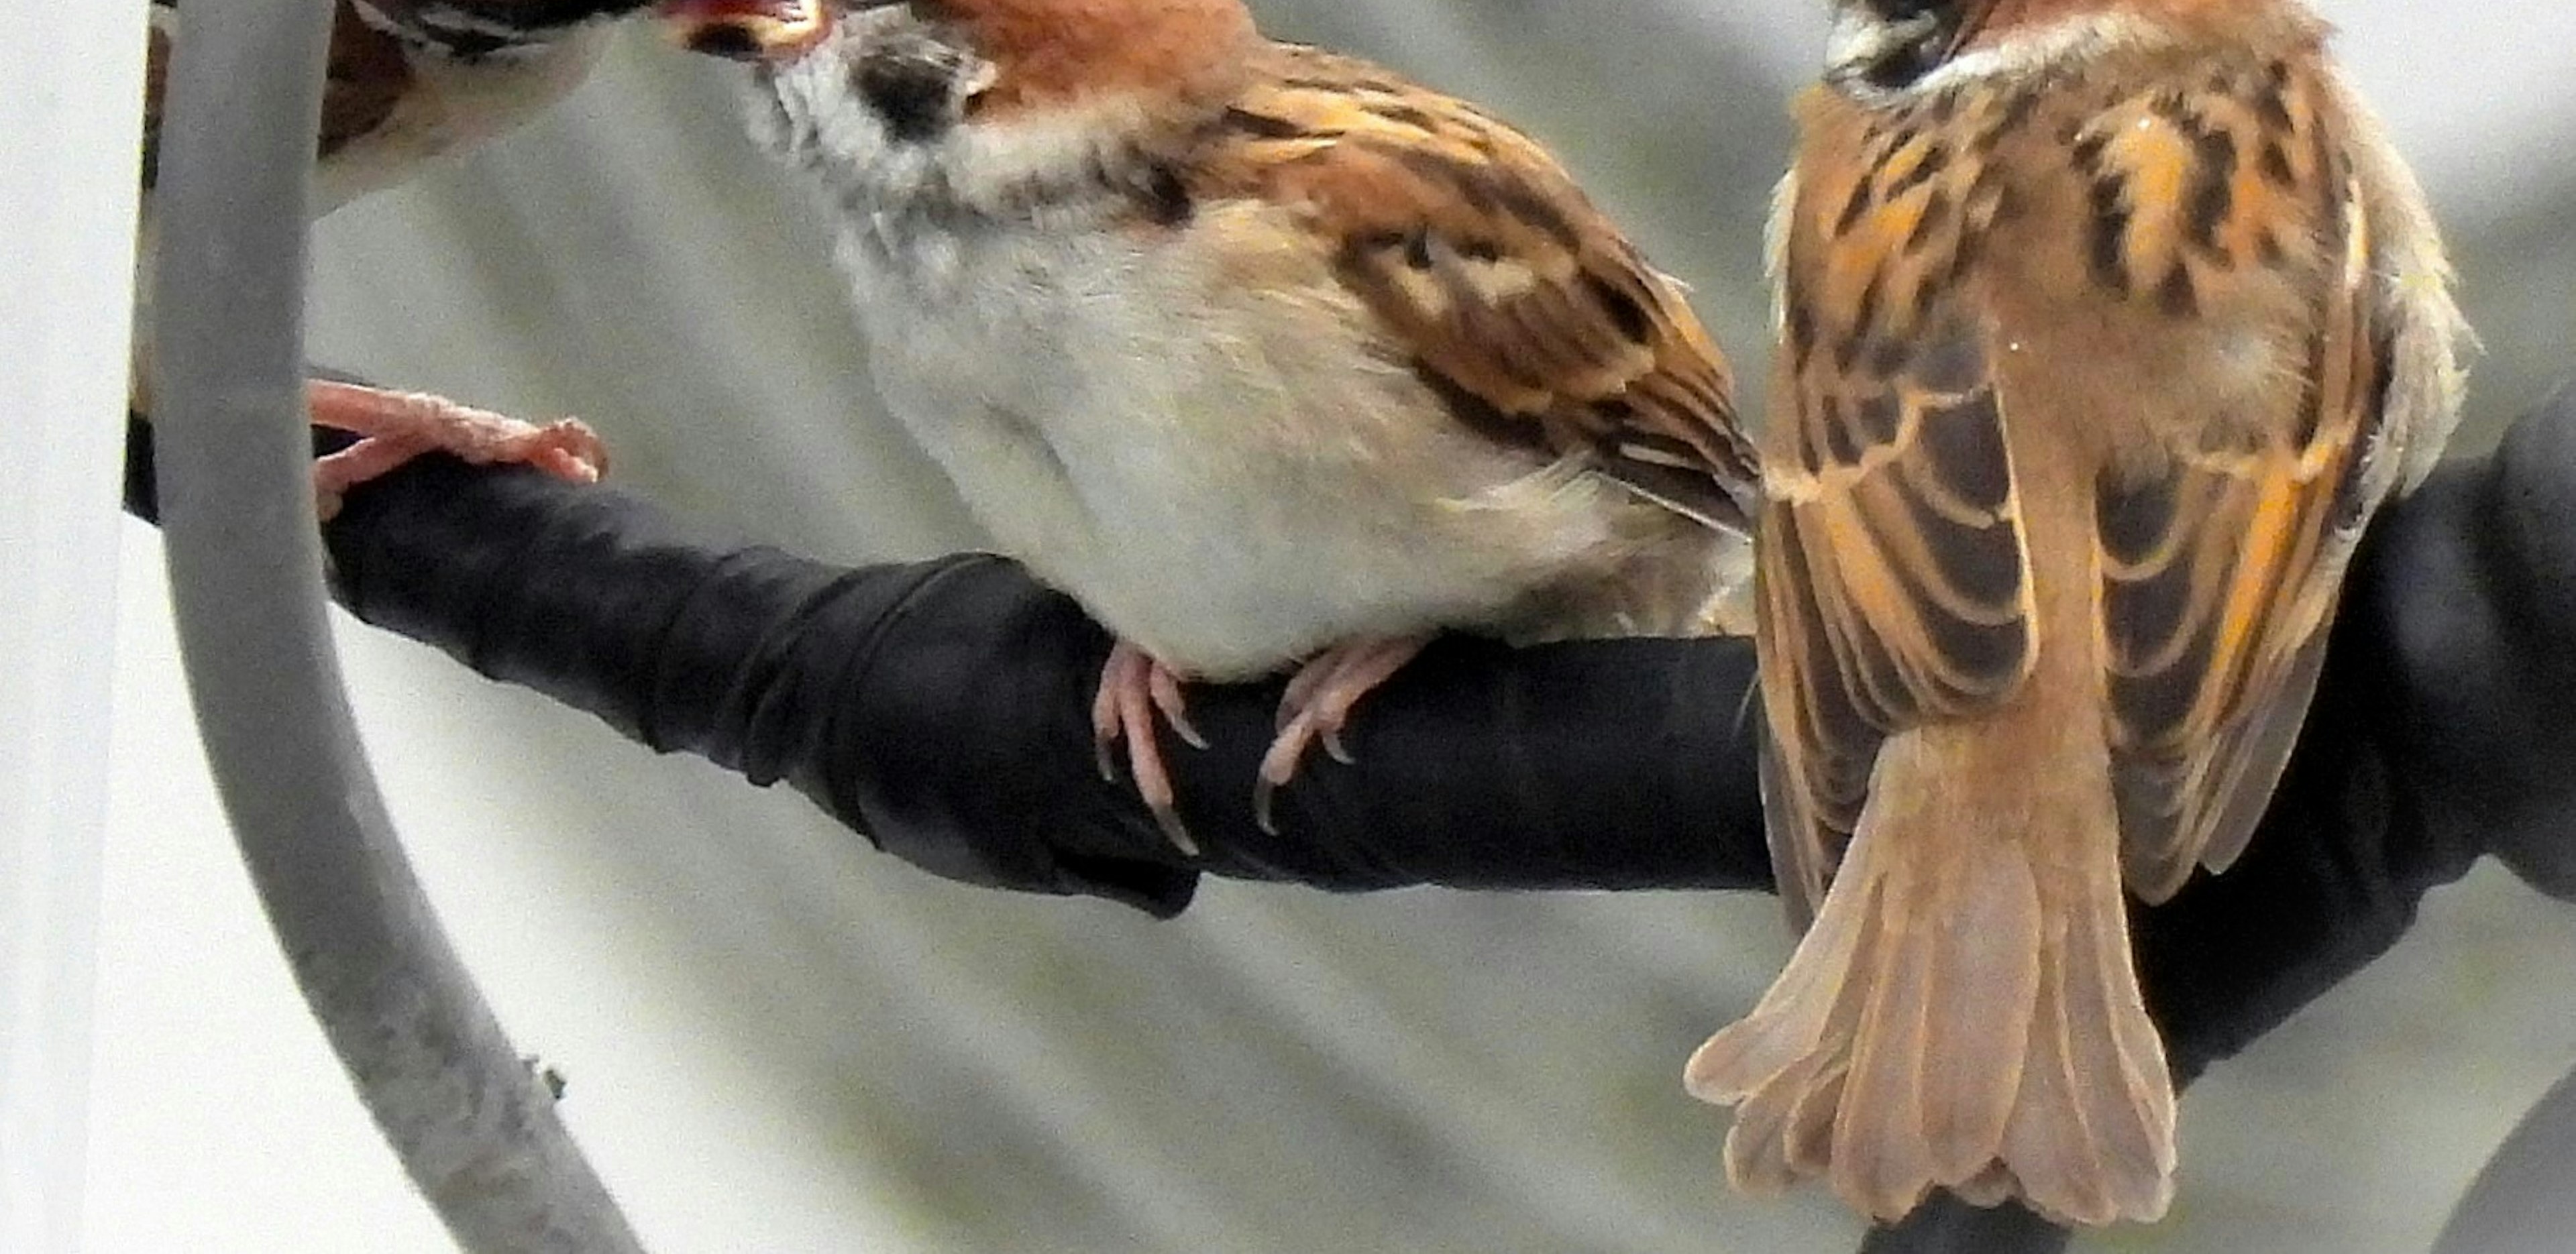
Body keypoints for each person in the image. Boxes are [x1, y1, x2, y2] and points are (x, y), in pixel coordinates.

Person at [124, 383, 2576, 1253]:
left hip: (2303, 721)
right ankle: (231, 454)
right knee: (1126, 740)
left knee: (1130, 745)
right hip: (2242, 687)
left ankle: (241, 459)